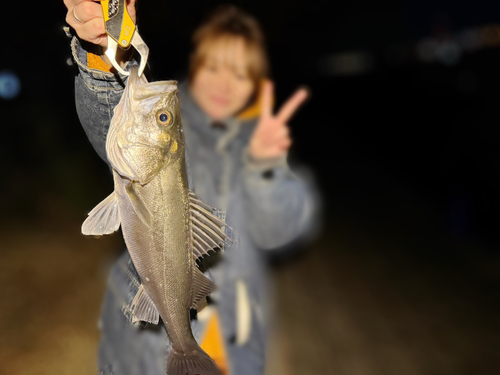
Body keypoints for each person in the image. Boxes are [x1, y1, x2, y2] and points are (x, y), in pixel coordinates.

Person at [64, 1, 318, 374]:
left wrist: (267, 169)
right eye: (213, 65)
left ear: (257, 82)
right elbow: (109, 114)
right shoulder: (173, 137)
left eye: (240, 72)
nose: (223, 81)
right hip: (143, 351)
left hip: (236, 346)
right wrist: (105, 54)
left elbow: (279, 231)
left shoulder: (260, 147)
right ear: (195, 66)